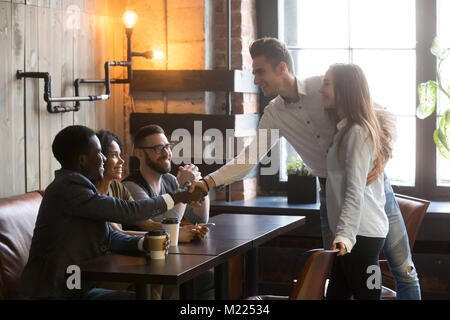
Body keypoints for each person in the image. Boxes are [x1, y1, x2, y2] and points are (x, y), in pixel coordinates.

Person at [190, 37, 421, 300]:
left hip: (371, 186)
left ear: (281, 68)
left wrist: (383, 157)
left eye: (260, 71)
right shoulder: (274, 114)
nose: (256, 80)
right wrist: (208, 182)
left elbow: (381, 115)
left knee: (404, 269)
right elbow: (248, 159)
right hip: (330, 193)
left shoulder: (323, 87)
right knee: (337, 271)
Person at [19, 125, 206, 300]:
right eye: (99, 153)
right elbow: (130, 212)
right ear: (82, 159)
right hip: (55, 292)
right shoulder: (68, 187)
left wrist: (143, 243)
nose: (103, 158)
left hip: (78, 286)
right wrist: (178, 196)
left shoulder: (82, 188)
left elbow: (109, 237)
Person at [320, 63, 389, 299]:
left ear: (344, 89)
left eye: (327, 83)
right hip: (351, 234)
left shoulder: (358, 133)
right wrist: (342, 234)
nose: (321, 89)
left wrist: (345, 236)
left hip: (362, 236)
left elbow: (354, 190)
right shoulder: (346, 131)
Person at [122, 124, 210, 240]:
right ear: (139, 153)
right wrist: (183, 189)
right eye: (158, 148)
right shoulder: (130, 186)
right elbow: (166, 226)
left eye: (168, 147)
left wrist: (198, 183)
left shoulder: (170, 180)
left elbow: (199, 219)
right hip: (139, 255)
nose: (166, 153)